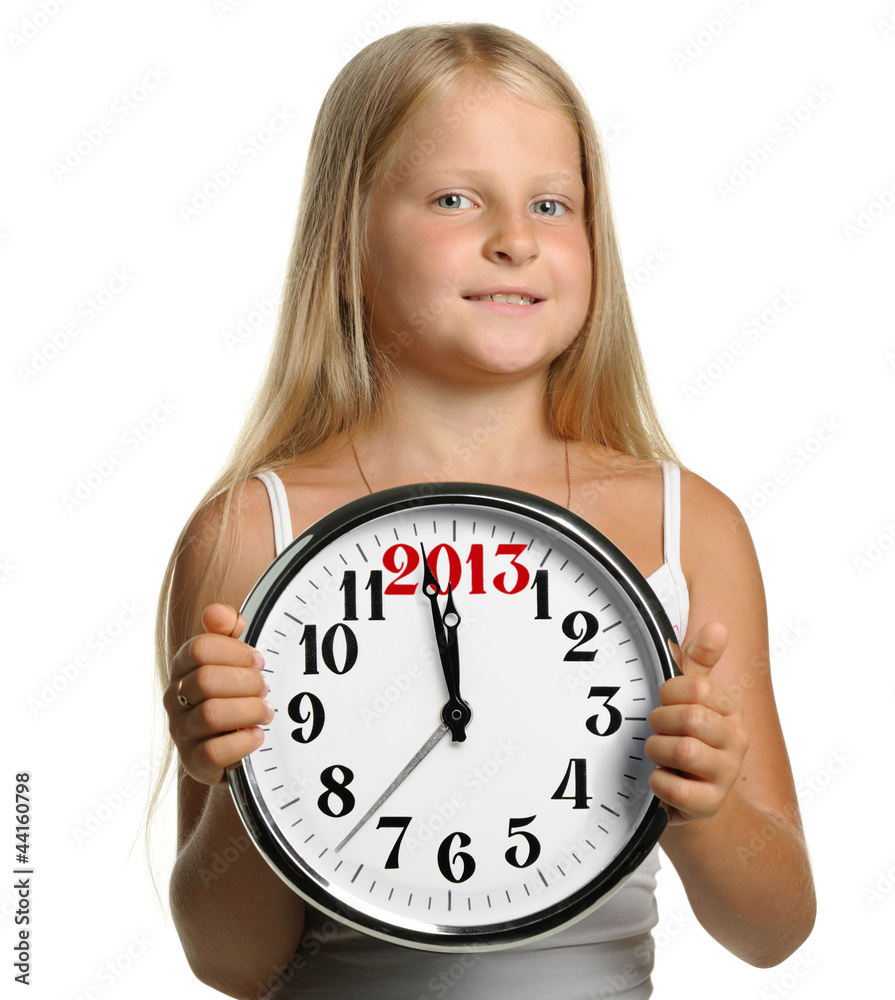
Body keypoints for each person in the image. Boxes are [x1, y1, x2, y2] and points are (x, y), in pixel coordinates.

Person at [155, 22, 815, 1000]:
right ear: (346, 243)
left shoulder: (688, 529)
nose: (515, 238)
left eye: (551, 203)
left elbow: (775, 929)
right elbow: (232, 962)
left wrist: (704, 805)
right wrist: (239, 784)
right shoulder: (254, 534)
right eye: (455, 199)